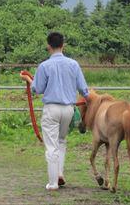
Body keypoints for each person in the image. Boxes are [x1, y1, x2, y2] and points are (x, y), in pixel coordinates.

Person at [20, 32, 89, 191]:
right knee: (61, 141)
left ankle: (52, 183)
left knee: (51, 145)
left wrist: (28, 80)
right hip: (69, 109)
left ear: (48, 46)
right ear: (63, 45)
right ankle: (59, 173)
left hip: (51, 109)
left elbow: (37, 89)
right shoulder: (73, 64)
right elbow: (84, 90)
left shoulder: (44, 66)